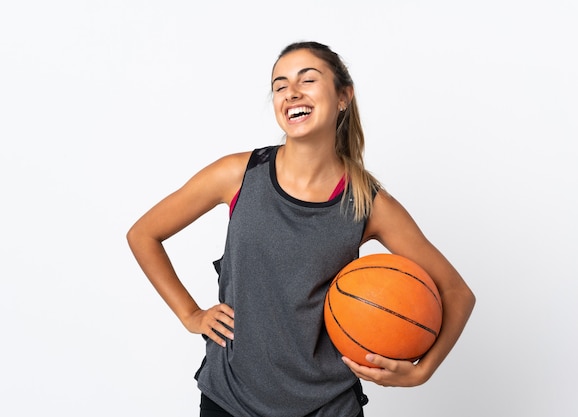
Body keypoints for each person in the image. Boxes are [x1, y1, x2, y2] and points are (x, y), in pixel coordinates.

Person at [127, 41, 476, 417]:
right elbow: (144, 234)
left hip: (327, 406)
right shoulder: (238, 175)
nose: (291, 92)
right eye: (280, 85)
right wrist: (190, 314)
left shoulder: (368, 203)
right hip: (231, 400)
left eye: (307, 80)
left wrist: (419, 373)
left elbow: (457, 292)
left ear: (343, 96)